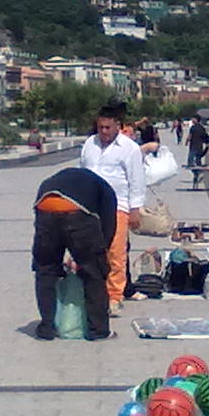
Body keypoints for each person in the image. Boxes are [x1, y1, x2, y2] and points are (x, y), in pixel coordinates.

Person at [31, 166, 117, 341]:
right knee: (94, 271)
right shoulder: (107, 190)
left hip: (44, 207)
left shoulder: (56, 178)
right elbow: (108, 227)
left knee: (45, 269)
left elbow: (40, 218)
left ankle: (46, 328)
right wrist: (100, 254)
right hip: (77, 212)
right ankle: (98, 330)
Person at [80, 102, 145, 316]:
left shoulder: (130, 149)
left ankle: (115, 295)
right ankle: (94, 292)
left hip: (118, 205)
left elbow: (136, 181)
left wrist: (135, 210)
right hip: (91, 207)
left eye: (108, 128)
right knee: (92, 251)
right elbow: (83, 173)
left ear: (118, 125)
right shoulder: (90, 144)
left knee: (116, 252)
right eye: (100, 128)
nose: (104, 132)